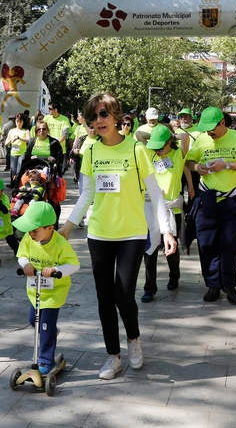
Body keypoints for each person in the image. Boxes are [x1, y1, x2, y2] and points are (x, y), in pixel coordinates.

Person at [58, 92, 177, 380]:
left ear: (116, 117)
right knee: (103, 297)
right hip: (99, 233)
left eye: (103, 114)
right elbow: (87, 193)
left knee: (123, 292)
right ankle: (113, 356)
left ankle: (133, 339)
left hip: (132, 234)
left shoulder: (136, 150)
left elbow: (155, 194)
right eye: (93, 116)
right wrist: (68, 226)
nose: (98, 121)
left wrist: (167, 230)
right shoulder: (91, 151)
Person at [186, 106, 236, 303]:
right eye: (206, 129)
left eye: (212, 128)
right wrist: (198, 167)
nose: (209, 132)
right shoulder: (202, 139)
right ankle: (212, 285)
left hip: (231, 200)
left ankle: (229, 284)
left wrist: (227, 164)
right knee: (206, 243)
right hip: (207, 199)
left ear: (223, 123)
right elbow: (189, 162)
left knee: (230, 244)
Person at [15, 201, 80, 375]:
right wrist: (26, 264)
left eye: (35, 230)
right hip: (35, 290)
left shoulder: (60, 244)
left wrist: (57, 270)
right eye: (29, 230)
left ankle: (45, 360)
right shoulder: (29, 238)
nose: (30, 233)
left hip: (53, 294)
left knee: (44, 325)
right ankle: (50, 331)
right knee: (33, 321)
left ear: (50, 228)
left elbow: (74, 265)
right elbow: (21, 255)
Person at [141, 124, 192, 302]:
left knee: (171, 248)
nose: (159, 150)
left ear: (169, 142)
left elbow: (185, 139)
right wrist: (155, 137)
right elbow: (139, 135)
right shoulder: (149, 154)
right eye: (155, 147)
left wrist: (171, 137)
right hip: (151, 208)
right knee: (150, 249)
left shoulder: (178, 155)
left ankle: (174, 275)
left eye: (161, 146)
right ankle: (149, 287)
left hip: (172, 209)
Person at [4, 113, 31, 187]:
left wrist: (19, 138)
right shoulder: (12, 131)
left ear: (23, 122)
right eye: (17, 121)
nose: (18, 123)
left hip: (22, 153)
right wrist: (11, 140)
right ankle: (13, 183)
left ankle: (18, 184)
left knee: (19, 170)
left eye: (20, 121)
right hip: (13, 153)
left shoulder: (26, 130)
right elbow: (6, 143)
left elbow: (29, 140)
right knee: (13, 170)